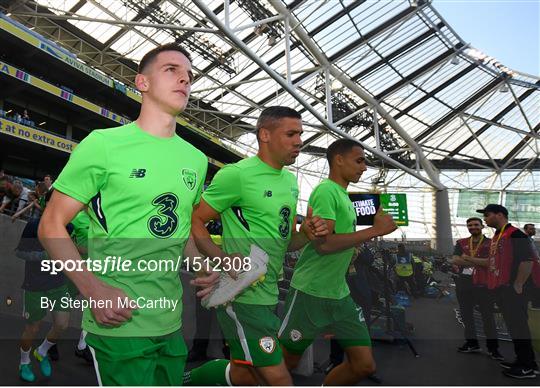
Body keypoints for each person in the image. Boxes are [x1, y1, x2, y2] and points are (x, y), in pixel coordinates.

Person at [38, 43, 217, 386]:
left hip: (171, 323)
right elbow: (51, 224)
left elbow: (178, 233)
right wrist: (93, 290)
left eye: (190, 75)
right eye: (172, 70)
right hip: (119, 321)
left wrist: (202, 266)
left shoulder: (195, 159)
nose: (185, 79)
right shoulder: (104, 144)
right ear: (142, 83)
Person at [185, 106, 327, 386]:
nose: (299, 141)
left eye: (300, 133)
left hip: (269, 293)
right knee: (278, 377)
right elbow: (195, 220)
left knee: (244, 374)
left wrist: (306, 234)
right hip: (241, 295)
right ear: (265, 134)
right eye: (290, 134)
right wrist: (222, 257)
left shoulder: (289, 180)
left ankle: (186, 380)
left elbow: (284, 244)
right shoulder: (237, 175)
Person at [279, 138, 397, 385]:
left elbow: (337, 242)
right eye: (359, 160)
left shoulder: (344, 197)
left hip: (338, 294)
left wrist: (353, 248)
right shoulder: (326, 191)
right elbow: (324, 245)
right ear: (339, 160)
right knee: (285, 362)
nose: (364, 167)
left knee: (363, 364)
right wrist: (374, 231)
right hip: (310, 292)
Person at [476, 204, 538, 379]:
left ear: (500, 215)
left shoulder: (515, 234)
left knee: (519, 327)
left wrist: (518, 284)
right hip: (503, 288)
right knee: (514, 327)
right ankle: (525, 361)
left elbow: (527, 261)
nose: (485, 219)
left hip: (513, 289)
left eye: (487, 215)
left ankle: (527, 367)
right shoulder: (498, 236)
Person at [16, 190, 72, 382]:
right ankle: (24, 362)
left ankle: (42, 351)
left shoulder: (68, 226)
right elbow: (20, 253)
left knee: (63, 324)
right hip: (35, 285)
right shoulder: (33, 225)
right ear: (46, 203)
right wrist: (45, 256)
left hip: (58, 283)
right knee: (33, 328)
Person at [451, 217, 502, 359]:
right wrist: (479, 261)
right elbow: (455, 260)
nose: (472, 227)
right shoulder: (461, 243)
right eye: (470, 225)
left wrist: (468, 259)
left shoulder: (491, 243)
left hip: (484, 285)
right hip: (464, 284)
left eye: (475, 224)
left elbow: (490, 263)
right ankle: (472, 343)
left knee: (487, 317)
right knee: (467, 316)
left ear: (482, 226)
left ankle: (493, 349)